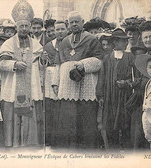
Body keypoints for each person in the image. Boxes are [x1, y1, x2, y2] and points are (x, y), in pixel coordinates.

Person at [0, 0, 45, 147]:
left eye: (26, 26)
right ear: (16, 27)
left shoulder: (36, 44)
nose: (24, 29)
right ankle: (12, 142)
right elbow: (0, 63)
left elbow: (42, 63)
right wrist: (14, 64)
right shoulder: (8, 43)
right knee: (12, 110)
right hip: (13, 85)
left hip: (31, 85)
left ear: (30, 27)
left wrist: (43, 60)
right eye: (21, 26)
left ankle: (29, 142)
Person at [52, 11, 103, 148]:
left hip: (85, 84)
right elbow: (58, 64)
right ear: (68, 24)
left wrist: (83, 65)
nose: (74, 24)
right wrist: (55, 83)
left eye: (77, 21)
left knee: (85, 118)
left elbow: (99, 61)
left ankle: (86, 149)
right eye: (71, 22)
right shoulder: (64, 42)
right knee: (68, 118)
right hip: (67, 86)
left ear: (82, 22)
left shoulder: (91, 39)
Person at [101, 28, 134, 149]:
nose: (126, 43)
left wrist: (127, 83)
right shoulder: (107, 59)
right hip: (110, 97)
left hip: (125, 97)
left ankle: (127, 150)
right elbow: (102, 78)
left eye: (126, 41)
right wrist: (100, 96)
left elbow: (135, 77)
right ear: (114, 42)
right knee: (110, 124)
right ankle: (113, 152)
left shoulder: (130, 57)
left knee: (125, 123)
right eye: (122, 41)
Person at [43, 20, 69, 146]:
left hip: (65, 77)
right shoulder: (49, 45)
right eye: (57, 30)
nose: (59, 32)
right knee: (51, 108)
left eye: (62, 29)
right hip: (50, 78)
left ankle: (63, 140)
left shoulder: (71, 43)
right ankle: (51, 139)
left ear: (67, 29)